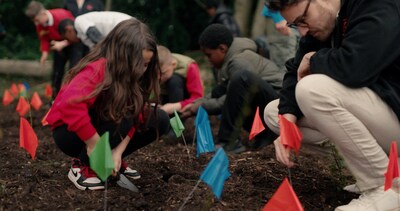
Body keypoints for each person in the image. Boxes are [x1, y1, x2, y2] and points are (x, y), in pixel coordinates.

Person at [263, 0, 400, 210]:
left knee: (311, 90)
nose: (302, 32)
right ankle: (375, 169)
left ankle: (387, 189)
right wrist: (288, 120)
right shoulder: (323, 25)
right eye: (295, 25)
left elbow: (356, 67)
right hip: (383, 116)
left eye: (303, 20)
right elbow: (295, 69)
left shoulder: (376, 5)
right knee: (275, 114)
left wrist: (314, 59)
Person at [45, 19, 170, 190]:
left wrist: (117, 152)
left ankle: (110, 159)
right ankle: (82, 165)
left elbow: (136, 116)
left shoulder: (137, 77)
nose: (142, 69)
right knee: (121, 110)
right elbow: (70, 105)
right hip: (70, 133)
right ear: (121, 55)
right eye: (138, 63)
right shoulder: (98, 69)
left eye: (146, 64)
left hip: (105, 126)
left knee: (159, 118)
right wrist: (95, 145)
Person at [181, 24, 284, 153]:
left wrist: (202, 107)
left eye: (209, 55)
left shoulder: (239, 61)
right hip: (266, 101)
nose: (208, 60)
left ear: (222, 48)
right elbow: (221, 91)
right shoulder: (230, 59)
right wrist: (195, 104)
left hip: (278, 106)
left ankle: (229, 142)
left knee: (240, 80)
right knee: (223, 89)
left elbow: (233, 98)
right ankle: (264, 136)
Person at [25, 1, 81, 100]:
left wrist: (64, 43)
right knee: (56, 73)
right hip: (57, 47)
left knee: (73, 70)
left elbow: (76, 33)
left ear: (43, 13)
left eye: (37, 20)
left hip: (73, 44)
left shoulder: (61, 15)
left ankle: (72, 97)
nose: (36, 23)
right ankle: (54, 99)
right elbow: (44, 39)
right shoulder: (39, 25)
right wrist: (44, 54)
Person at [157, 45, 204, 115]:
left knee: (174, 81)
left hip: (183, 100)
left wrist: (176, 106)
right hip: (164, 99)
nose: (158, 78)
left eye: (162, 73)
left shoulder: (190, 66)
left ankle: (175, 116)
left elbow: (198, 97)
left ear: (173, 65)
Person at [57, 11, 134, 50]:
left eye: (66, 38)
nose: (69, 41)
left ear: (68, 29)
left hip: (126, 26)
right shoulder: (83, 36)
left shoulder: (79, 21)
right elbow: (95, 50)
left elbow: (95, 36)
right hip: (127, 27)